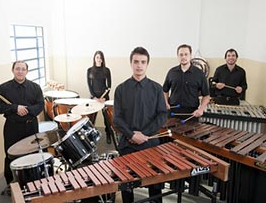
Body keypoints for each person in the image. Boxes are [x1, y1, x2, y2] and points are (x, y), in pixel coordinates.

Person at [113, 47, 167, 203]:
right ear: (131, 63)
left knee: (155, 186)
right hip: (127, 145)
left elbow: (162, 114)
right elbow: (117, 118)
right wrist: (131, 135)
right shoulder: (121, 89)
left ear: (147, 64)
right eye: (136, 62)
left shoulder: (156, 88)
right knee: (126, 186)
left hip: (150, 144)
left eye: (143, 62)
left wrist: (144, 135)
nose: (139, 65)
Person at [0, 61, 44, 194]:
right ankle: (11, 184)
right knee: (10, 155)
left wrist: (27, 110)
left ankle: (33, 183)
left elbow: (40, 105)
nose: (20, 71)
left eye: (23, 69)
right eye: (17, 69)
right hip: (12, 127)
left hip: (31, 126)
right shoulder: (3, 88)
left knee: (33, 154)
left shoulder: (35, 87)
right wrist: (15, 108)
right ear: (13, 70)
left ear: (27, 71)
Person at [163, 44, 210, 119]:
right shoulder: (171, 72)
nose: (183, 57)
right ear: (178, 56)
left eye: (186, 54)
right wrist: (165, 103)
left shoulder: (199, 73)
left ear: (190, 55)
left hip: (191, 113)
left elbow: (206, 95)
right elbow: (165, 90)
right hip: (173, 111)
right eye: (181, 55)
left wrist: (201, 109)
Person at [87, 50, 112, 143]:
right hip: (94, 98)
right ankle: (90, 138)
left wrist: (103, 98)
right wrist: (95, 98)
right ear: (94, 58)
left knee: (107, 119)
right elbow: (89, 85)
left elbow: (109, 86)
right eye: (97, 57)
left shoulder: (106, 70)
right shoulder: (89, 70)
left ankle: (108, 135)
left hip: (104, 97)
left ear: (102, 59)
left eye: (100, 57)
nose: (99, 59)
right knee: (91, 118)